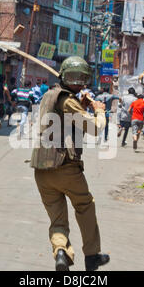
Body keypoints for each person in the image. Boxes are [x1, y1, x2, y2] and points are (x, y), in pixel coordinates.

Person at [30, 56, 110, 271]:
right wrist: (99, 110)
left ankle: (61, 251)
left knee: (57, 218)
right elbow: (94, 128)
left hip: (42, 169)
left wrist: (80, 106)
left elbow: (64, 118)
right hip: (65, 167)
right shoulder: (68, 100)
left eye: (80, 79)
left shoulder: (49, 95)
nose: (78, 82)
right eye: (77, 78)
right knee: (85, 206)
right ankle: (92, 255)